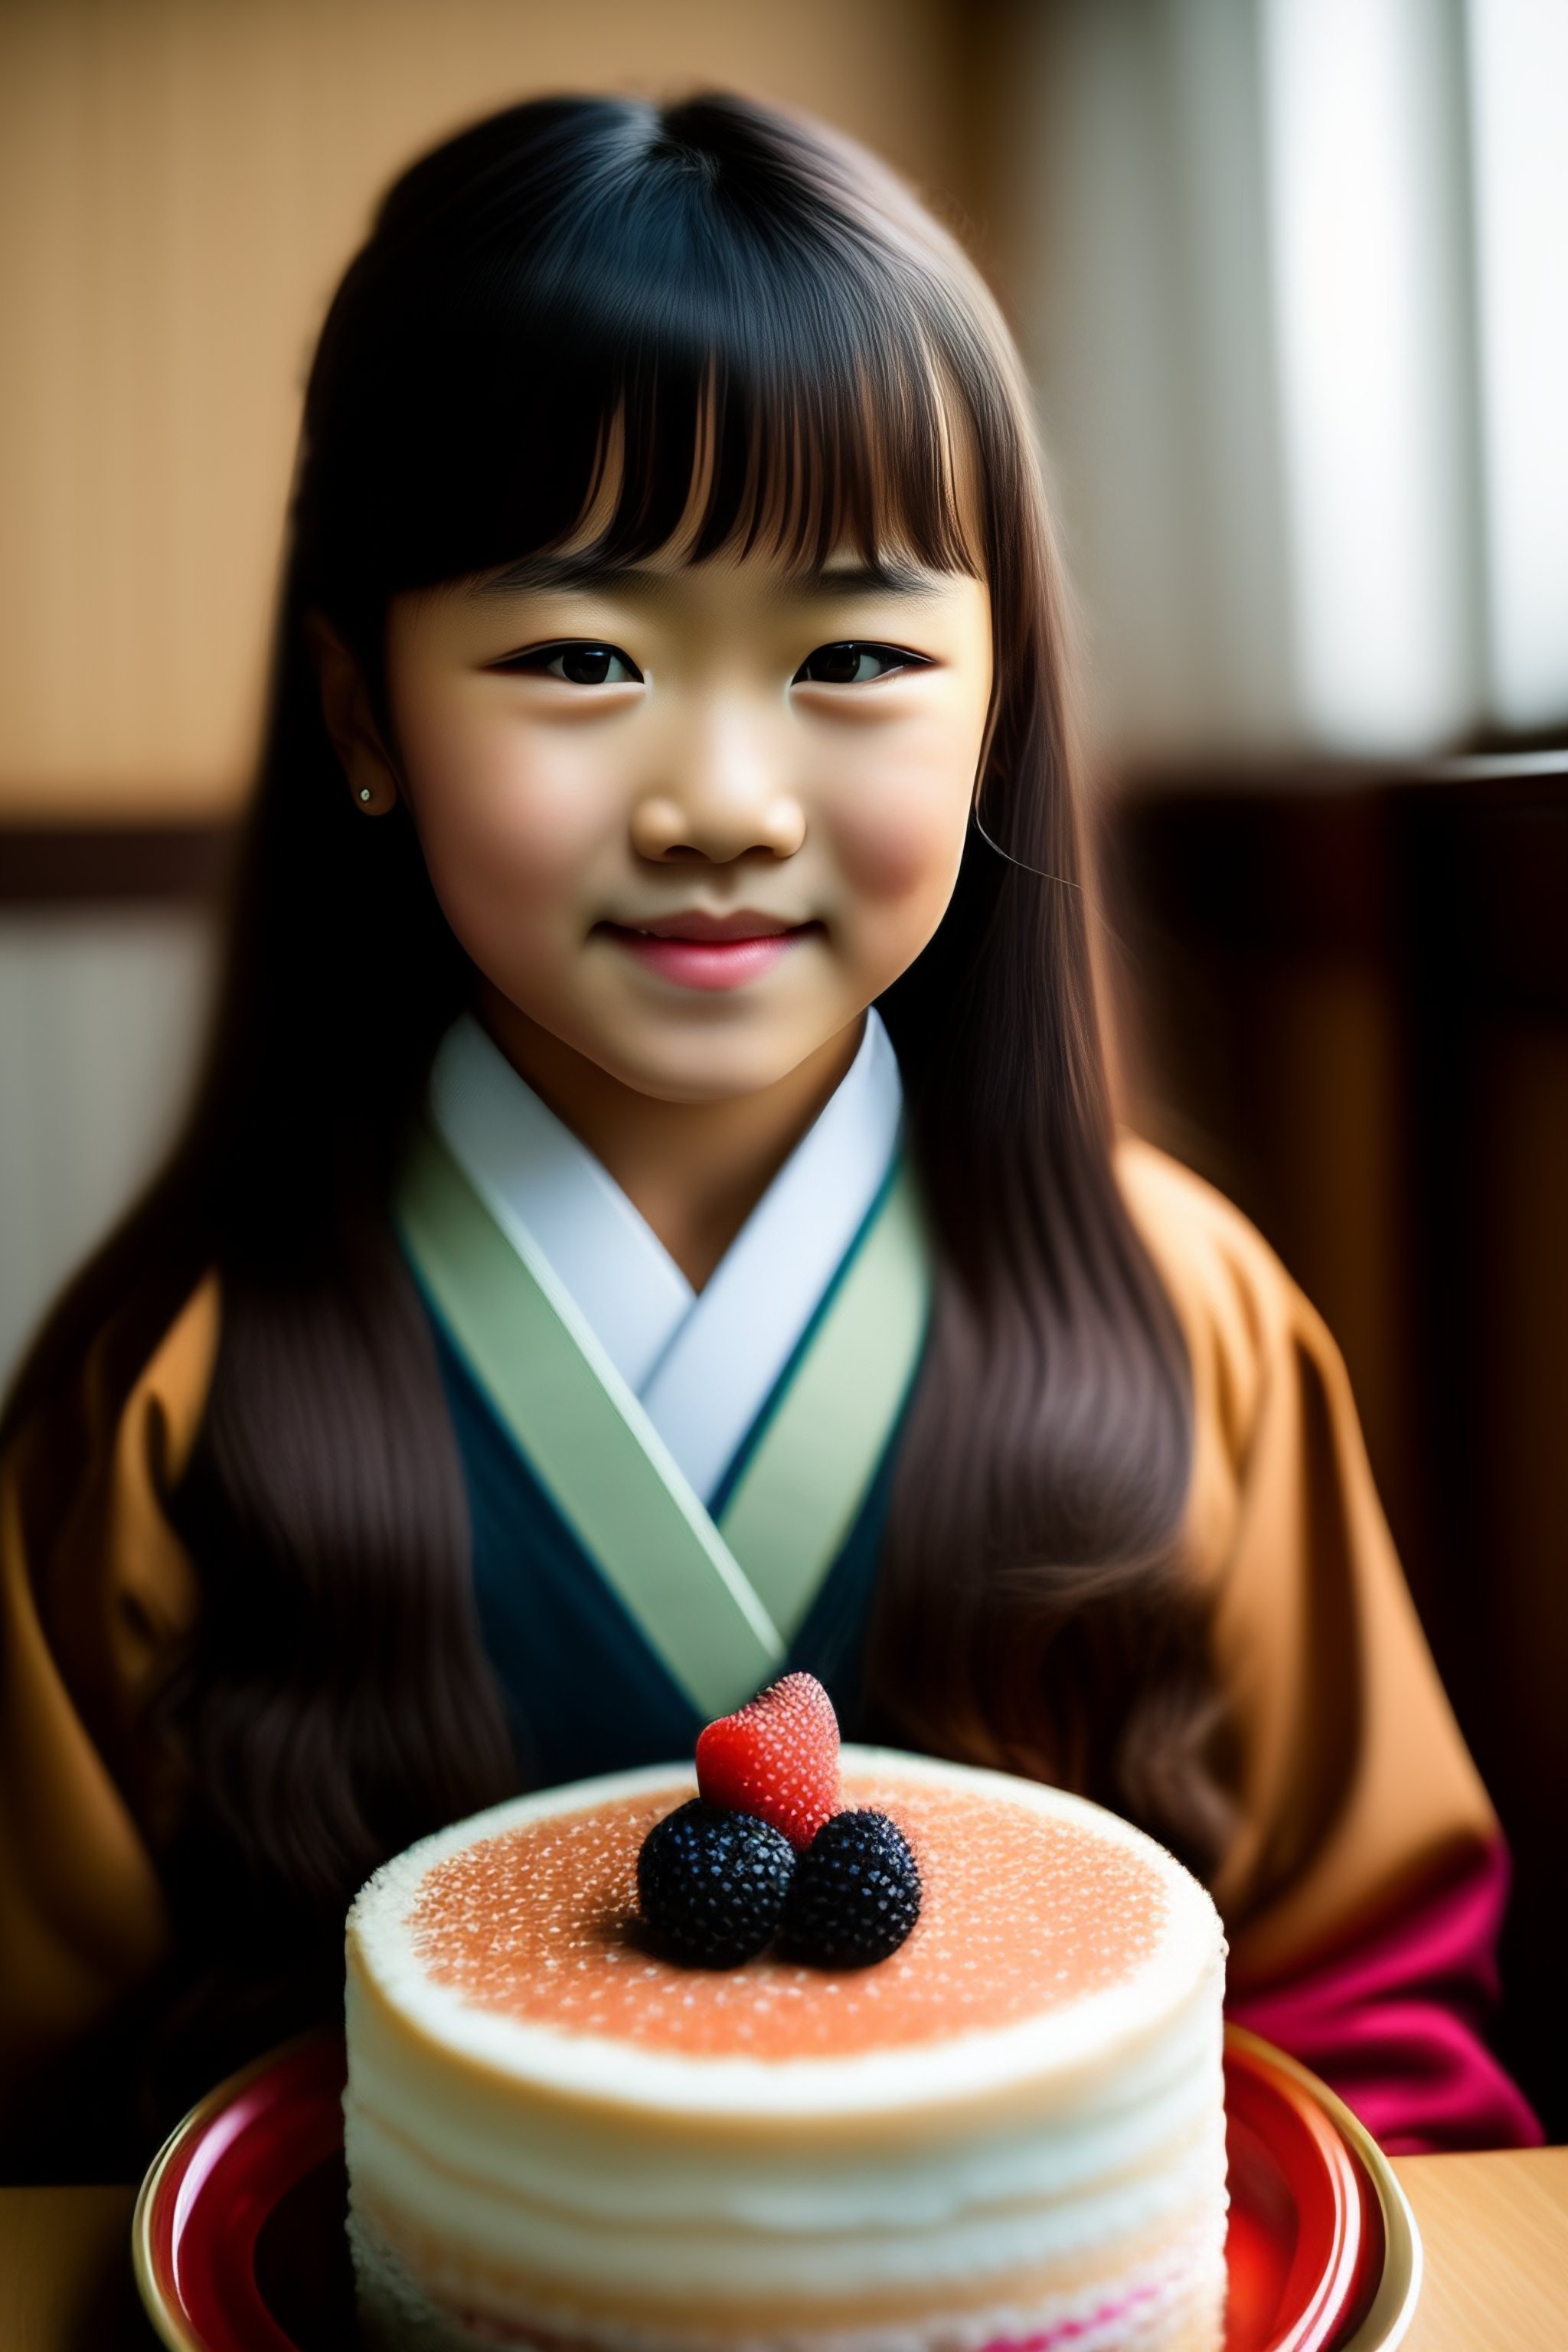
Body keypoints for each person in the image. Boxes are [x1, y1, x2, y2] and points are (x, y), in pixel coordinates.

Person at [0, 93, 1539, 2179]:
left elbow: (1373, 2014)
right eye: (577, 654)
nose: (724, 797)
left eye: (852, 654)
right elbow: (49, 2113)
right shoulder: (161, 1393)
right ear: (364, 710)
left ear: (998, 697)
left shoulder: (1198, 1325)